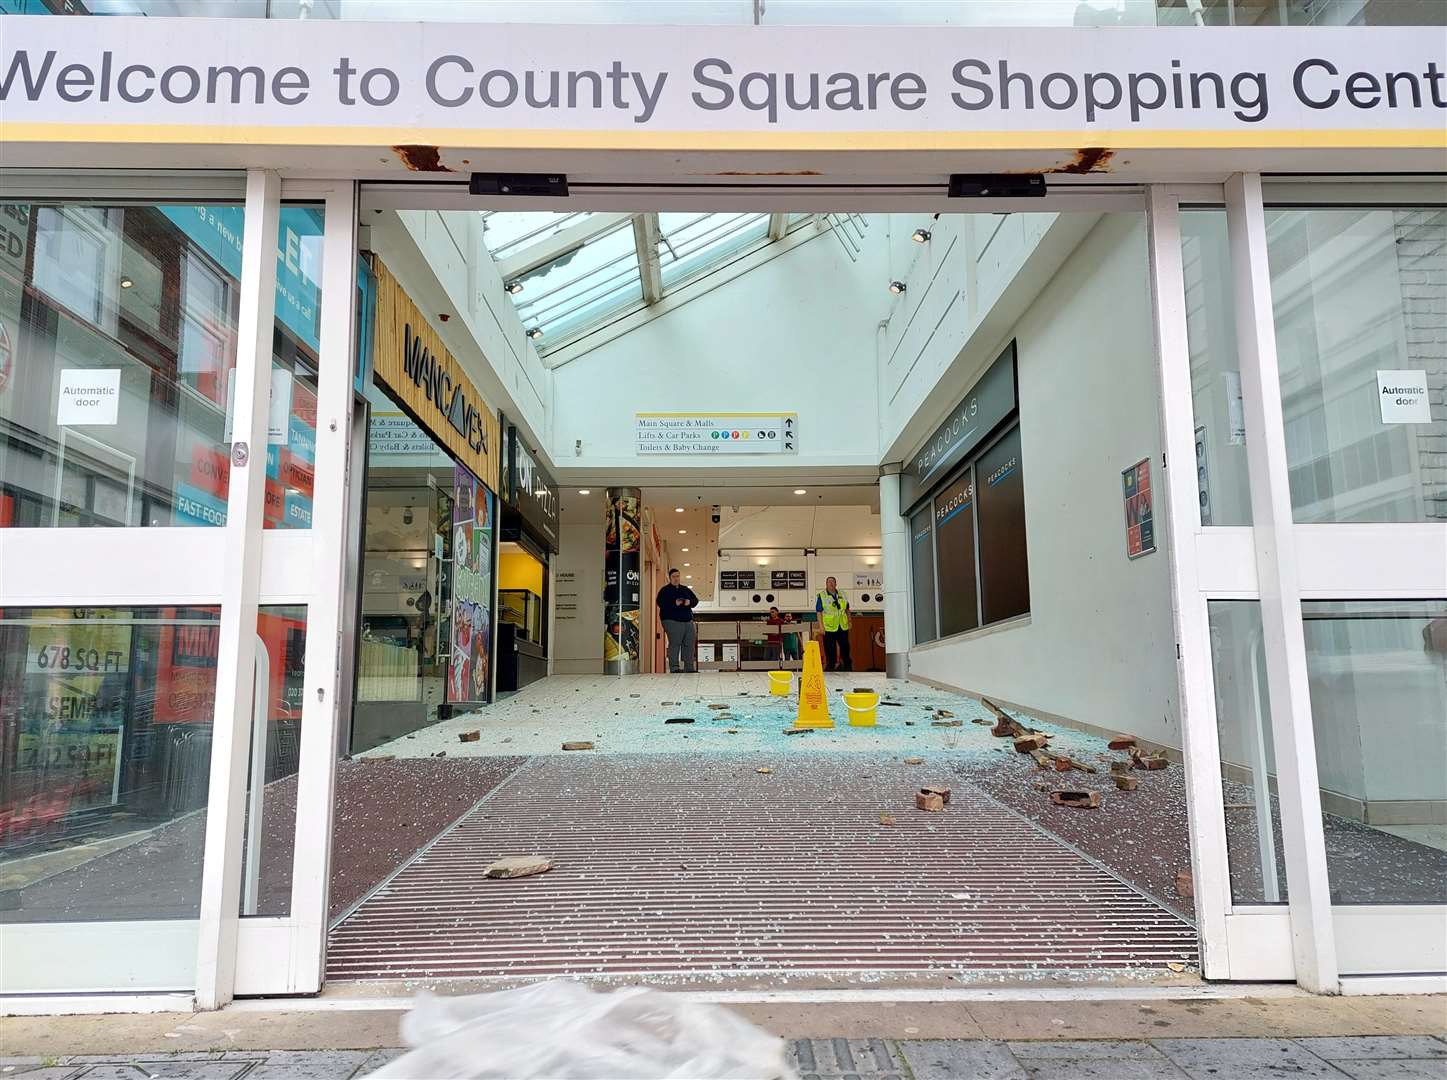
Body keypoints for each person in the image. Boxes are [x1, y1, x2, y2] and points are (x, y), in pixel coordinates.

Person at [656, 568, 698, 674]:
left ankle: (689, 668)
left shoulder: (685, 589)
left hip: (688, 620)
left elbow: (695, 600)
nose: (676, 578)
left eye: (678, 576)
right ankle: (674, 668)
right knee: (675, 643)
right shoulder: (664, 590)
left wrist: (689, 602)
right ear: (670, 578)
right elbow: (660, 603)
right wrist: (674, 603)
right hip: (671, 620)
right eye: (674, 576)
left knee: (689, 643)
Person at [815, 576, 852, 672]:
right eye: (829, 582)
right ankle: (830, 666)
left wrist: (849, 620)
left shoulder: (843, 594)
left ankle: (847, 666)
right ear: (826, 584)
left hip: (842, 626)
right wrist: (821, 626)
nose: (831, 584)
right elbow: (819, 612)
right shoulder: (822, 595)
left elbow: (847, 609)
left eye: (833, 582)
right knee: (830, 648)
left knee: (845, 647)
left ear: (836, 584)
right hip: (829, 627)